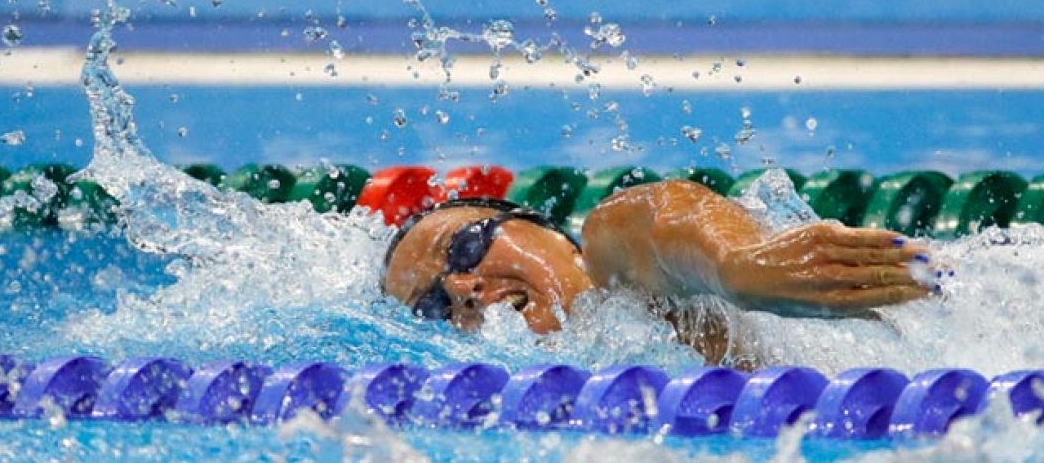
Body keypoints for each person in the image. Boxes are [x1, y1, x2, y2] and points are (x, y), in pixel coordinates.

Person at [380, 179, 933, 362]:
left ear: (546, 230)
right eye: (432, 304)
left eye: (465, 249)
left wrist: (738, 265)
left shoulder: (613, 268)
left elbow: (660, 217)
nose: (459, 286)